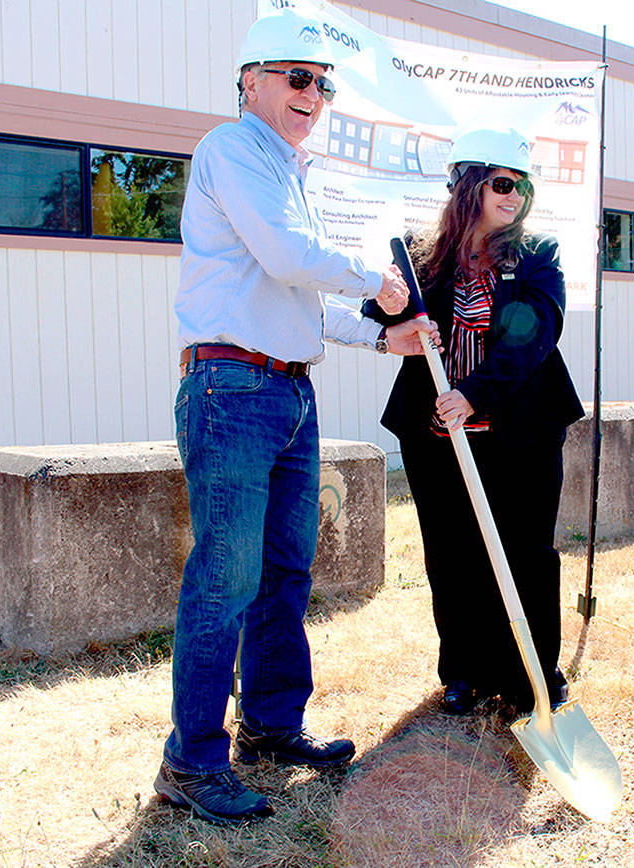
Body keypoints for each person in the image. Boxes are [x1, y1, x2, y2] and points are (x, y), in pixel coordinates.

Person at [154, 11, 434, 825]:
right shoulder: (233, 149)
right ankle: (192, 762)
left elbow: (301, 298)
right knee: (226, 577)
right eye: (298, 77)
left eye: (325, 84)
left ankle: (270, 727)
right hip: (232, 390)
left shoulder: (291, 172)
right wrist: (375, 281)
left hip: (286, 389)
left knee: (282, 571)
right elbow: (287, 255)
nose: (315, 94)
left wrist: (389, 338)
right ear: (250, 81)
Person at [365, 126, 584, 716]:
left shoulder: (538, 254)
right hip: (434, 432)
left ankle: (533, 672)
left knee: (526, 549)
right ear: (468, 186)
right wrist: (386, 303)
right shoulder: (419, 255)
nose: (515, 197)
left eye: (523, 187)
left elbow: (534, 332)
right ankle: (462, 668)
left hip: (521, 429)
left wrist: (473, 394)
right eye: (504, 183)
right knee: (453, 550)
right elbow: (380, 313)